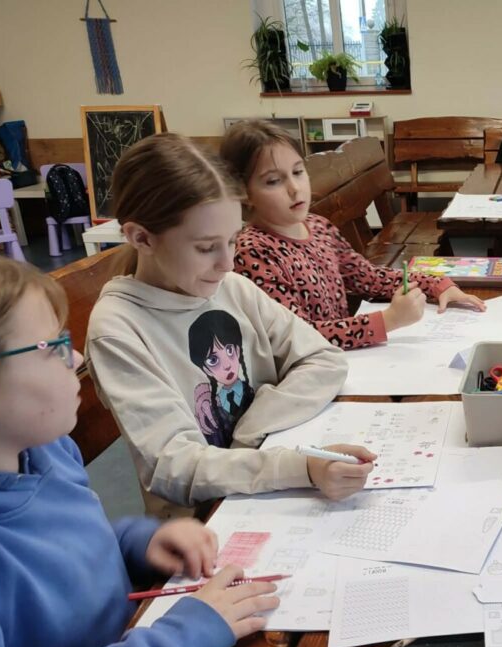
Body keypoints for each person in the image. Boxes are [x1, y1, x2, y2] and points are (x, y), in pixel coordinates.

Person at [0, 256, 279, 647]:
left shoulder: (43, 449)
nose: (75, 355)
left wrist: (136, 544)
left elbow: (66, 545)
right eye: (52, 348)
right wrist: (176, 642)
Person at [86, 133, 375, 519]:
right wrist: (297, 466)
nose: (227, 262)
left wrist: (251, 430)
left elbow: (325, 359)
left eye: (233, 240)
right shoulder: (118, 331)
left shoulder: (230, 286)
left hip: (264, 479)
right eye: (206, 247)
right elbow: (175, 467)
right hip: (203, 527)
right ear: (141, 237)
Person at [220, 120, 485, 351]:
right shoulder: (252, 253)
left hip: (350, 360)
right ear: (243, 192)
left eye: (298, 172)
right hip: (310, 378)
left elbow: (368, 277)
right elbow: (298, 337)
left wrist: (437, 285)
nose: (294, 188)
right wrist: (388, 320)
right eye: (273, 181)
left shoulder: (318, 226)